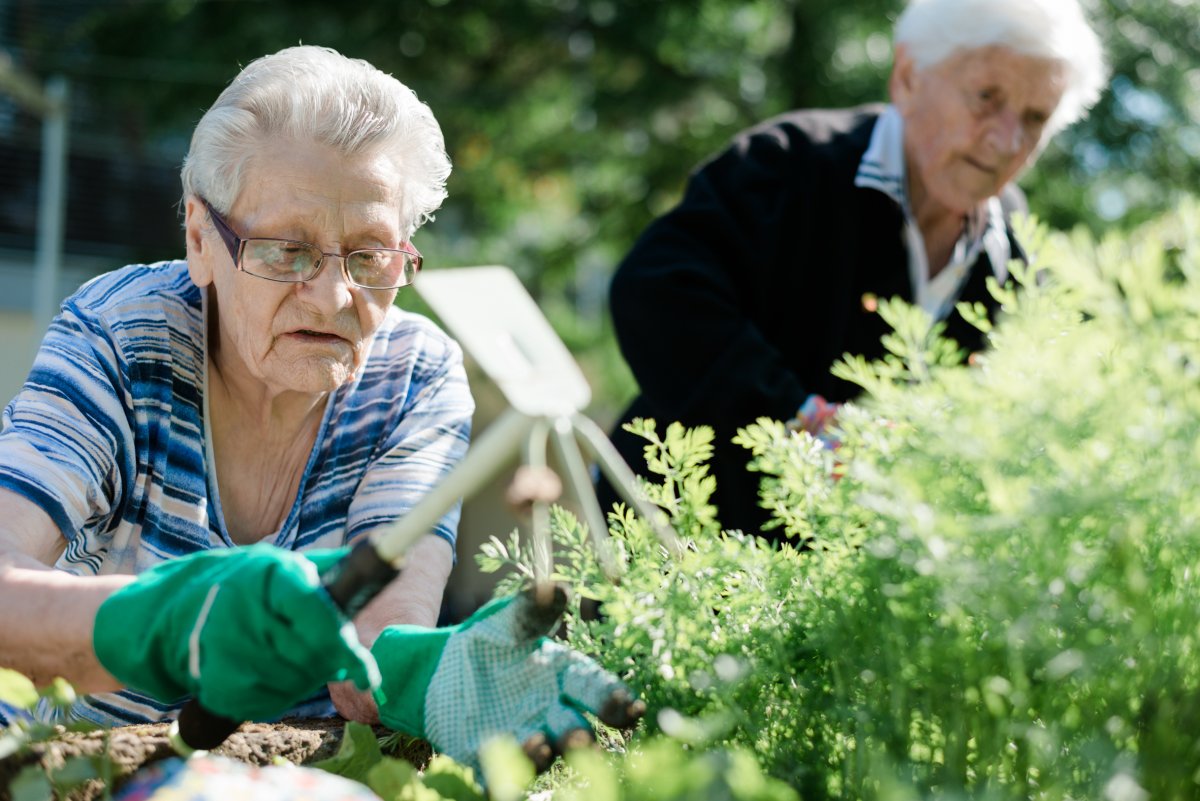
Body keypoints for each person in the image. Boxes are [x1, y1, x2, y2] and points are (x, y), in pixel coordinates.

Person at [0, 46, 639, 769]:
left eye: (370, 256)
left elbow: (373, 644)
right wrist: (165, 621)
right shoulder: (122, 337)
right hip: (68, 767)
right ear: (200, 242)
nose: (336, 298)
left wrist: (426, 674)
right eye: (287, 249)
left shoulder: (412, 374)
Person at [601, 0, 1107, 537]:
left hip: (842, 595)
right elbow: (657, 292)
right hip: (672, 548)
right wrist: (803, 424)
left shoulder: (1015, 250)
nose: (1007, 142)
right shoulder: (791, 162)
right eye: (987, 98)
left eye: (1035, 119)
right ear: (909, 77)